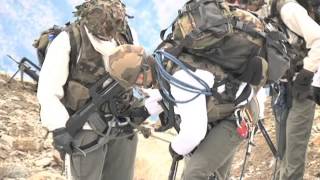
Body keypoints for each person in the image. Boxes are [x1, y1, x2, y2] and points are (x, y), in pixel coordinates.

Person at [37, 0, 151, 179]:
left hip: (123, 123)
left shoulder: (127, 34)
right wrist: (59, 128)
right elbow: (48, 91)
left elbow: (139, 75)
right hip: (86, 129)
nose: (108, 31)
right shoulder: (69, 39)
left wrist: (142, 106)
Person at [242, 0, 320, 179]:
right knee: (282, 152)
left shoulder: (287, 9)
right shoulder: (260, 13)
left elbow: (319, 39)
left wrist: (306, 73)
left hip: (303, 86)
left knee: (293, 153)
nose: (241, 5)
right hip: (281, 88)